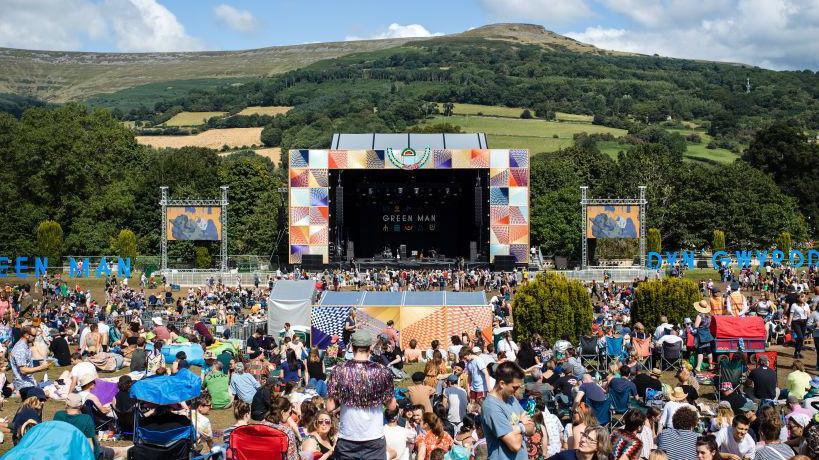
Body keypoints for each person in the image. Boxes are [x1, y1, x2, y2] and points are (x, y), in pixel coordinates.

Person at [326, 330, 396, 460]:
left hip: (348, 438)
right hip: (374, 438)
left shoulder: (339, 370)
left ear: (352, 347)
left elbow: (330, 407)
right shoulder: (382, 371)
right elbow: (392, 406)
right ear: (370, 348)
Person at [481, 361, 535, 460]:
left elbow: (532, 428)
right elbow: (515, 445)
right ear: (502, 384)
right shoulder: (492, 407)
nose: (517, 391)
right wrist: (522, 425)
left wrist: (517, 428)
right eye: (515, 387)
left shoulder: (511, 399)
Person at [53, 393, 128, 460]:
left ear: (66, 404)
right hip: (82, 453)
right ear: (80, 405)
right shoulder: (85, 419)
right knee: (120, 452)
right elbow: (90, 444)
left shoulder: (58, 415)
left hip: (64, 452)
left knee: (109, 450)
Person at [9, 325, 52, 397]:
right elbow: (23, 370)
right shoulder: (20, 349)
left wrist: (42, 366)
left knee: (50, 383)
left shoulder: (25, 346)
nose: (35, 338)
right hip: (24, 385)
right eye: (34, 335)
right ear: (26, 335)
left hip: (29, 382)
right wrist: (41, 367)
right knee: (44, 395)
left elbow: (27, 365)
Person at [546, 425, 612, 460]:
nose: (583, 439)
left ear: (598, 446)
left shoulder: (606, 457)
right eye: (584, 435)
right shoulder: (565, 456)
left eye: (589, 439)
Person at [788, 293, 809, 359]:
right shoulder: (794, 305)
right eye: (802, 297)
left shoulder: (806, 305)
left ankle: (797, 352)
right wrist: (789, 324)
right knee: (800, 337)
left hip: (804, 322)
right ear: (797, 298)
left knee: (801, 338)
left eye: (804, 297)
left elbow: (809, 314)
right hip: (796, 322)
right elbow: (791, 315)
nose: (804, 298)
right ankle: (797, 352)